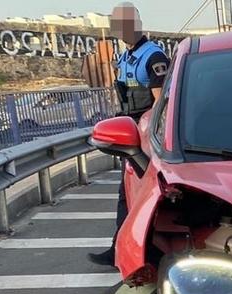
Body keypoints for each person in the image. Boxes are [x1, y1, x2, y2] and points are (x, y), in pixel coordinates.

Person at [88, 2, 171, 267]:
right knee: (128, 193)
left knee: (143, 195)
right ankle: (122, 248)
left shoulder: (153, 57)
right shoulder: (126, 57)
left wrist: (150, 137)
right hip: (130, 131)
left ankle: (134, 251)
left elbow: (161, 103)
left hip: (146, 137)